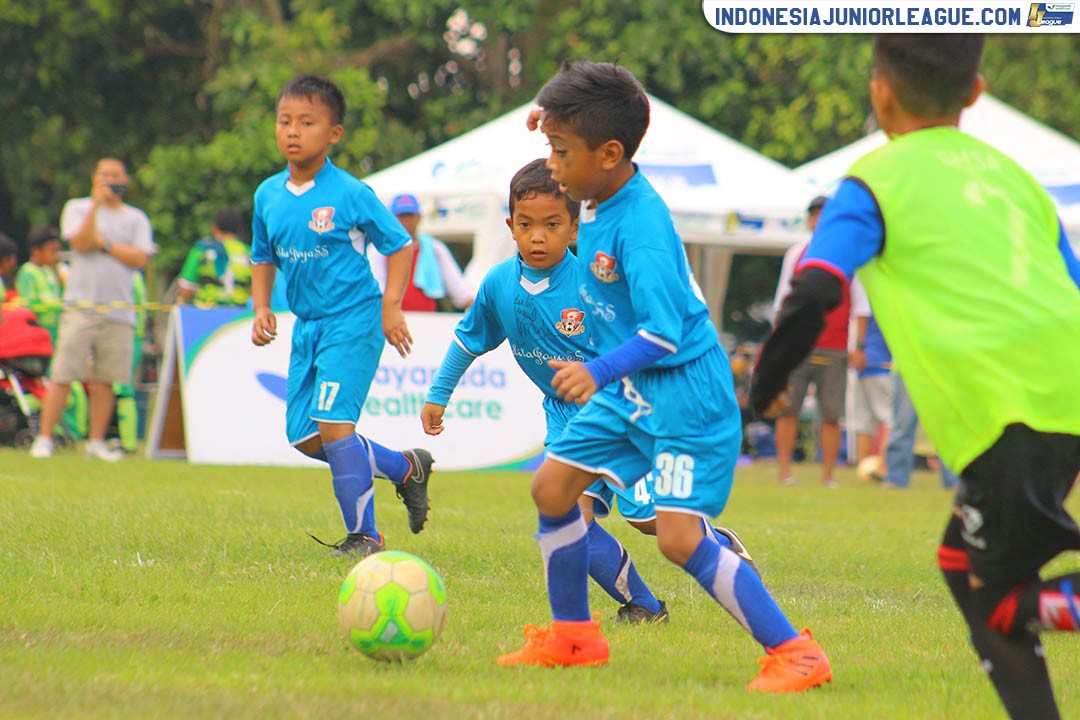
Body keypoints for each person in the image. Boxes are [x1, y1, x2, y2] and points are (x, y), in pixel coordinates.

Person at [750, 35, 1080, 719]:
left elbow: (815, 290)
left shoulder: (873, 181)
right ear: (976, 91)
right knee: (962, 565)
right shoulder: (1019, 180)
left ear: (879, 91)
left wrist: (762, 389)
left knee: (1002, 600)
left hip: (1008, 411)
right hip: (1062, 389)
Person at [496, 60, 831, 692]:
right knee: (551, 490)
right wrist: (552, 119)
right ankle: (574, 638)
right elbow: (584, 133)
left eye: (561, 153)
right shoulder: (597, 187)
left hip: (684, 396)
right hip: (632, 389)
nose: (553, 167)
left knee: (676, 539)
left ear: (610, 153)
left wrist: (595, 370)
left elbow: (662, 333)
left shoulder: (641, 227)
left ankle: (796, 652)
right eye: (551, 148)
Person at [421, 158, 758, 624]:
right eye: (526, 224)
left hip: (620, 408)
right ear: (511, 227)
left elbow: (641, 338)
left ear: (575, 228)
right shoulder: (498, 284)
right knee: (571, 515)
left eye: (552, 224)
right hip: (563, 415)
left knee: (649, 521)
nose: (538, 236)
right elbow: (467, 339)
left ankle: (717, 546)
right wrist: (439, 394)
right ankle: (641, 604)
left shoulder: (591, 282)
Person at [249, 74, 434, 558]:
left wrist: (391, 306)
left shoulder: (351, 193)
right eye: (285, 121)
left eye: (307, 122)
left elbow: (399, 246)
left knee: (334, 429)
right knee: (308, 438)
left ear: (333, 133)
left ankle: (365, 536)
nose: (293, 131)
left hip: (354, 320)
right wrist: (262, 306)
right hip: (307, 327)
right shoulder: (267, 195)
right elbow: (261, 256)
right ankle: (405, 468)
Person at [29, 157, 155, 461]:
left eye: (116, 175)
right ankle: (44, 438)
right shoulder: (77, 208)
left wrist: (107, 244)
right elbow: (81, 243)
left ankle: (96, 441)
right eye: (104, 175)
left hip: (120, 311)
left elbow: (140, 258)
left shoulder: (136, 218)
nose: (110, 181)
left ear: (125, 180)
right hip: (80, 307)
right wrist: (96, 209)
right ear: (94, 179)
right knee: (63, 374)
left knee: (105, 380)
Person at [770, 195, 858, 488]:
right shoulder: (797, 254)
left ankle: (828, 475)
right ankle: (784, 472)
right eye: (815, 216)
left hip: (834, 345)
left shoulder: (849, 254)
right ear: (809, 220)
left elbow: (860, 305)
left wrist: (856, 346)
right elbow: (783, 300)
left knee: (831, 413)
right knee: (788, 409)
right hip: (797, 344)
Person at [367, 193, 474, 311]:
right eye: (401, 216)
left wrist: (476, 308)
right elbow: (376, 289)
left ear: (418, 217)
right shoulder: (379, 249)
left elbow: (459, 288)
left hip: (426, 320)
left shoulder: (435, 248)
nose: (405, 221)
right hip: (391, 319)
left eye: (409, 216)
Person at [884, 372, 959, 491]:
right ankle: (896, 479)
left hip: (941, 365)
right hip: (908, 365)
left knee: (947, 426)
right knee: (903, 425)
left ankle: (954, 479)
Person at [177, 207, 252, 306]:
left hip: (207, 311)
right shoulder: (249, 253)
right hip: (240, 314)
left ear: (214, 227)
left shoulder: (201, 249)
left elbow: (186, 289)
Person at [849, 304, 893, 471]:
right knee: (891, 418)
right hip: (881, 362)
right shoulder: (884, 296)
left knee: (863, 420)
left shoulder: (864, 292)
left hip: (862, 364)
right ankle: (882, 466)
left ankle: (863, 468)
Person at [14, 226, 64, 343]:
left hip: (55, 328)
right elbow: (28, 304)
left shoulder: (50, 270)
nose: (55, 255)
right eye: (52, 251)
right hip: (38, 330)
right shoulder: (27, 272)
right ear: (36, 251)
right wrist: (55, 305)